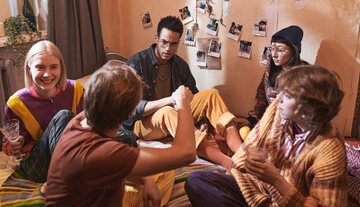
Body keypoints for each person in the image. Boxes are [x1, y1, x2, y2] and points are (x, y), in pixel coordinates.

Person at [185, 65, 348, 207]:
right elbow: (250, 147)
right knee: (197, 181)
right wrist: (235, 172)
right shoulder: (278, 110)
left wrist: (276, 180)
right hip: (254, 189)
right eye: (280, 92)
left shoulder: (330, 150)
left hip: (286, 202)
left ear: (309, 108)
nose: (278, 98)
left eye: (288, 96)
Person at [45, 63, 197, 206]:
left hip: (87, 187)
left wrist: (146, 179)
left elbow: (110, 166)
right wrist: (183, 104)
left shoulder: (80, 120)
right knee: (167, 169)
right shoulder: (103, 153)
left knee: (162, 172)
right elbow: (187, 153)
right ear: (131, 114)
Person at [125, 16, 242, 169]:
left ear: (179, 42)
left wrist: (201, 122)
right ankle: (227, 163)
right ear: (156, 38)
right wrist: (171, 99)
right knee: (167, 111)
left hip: (173, 112)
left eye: (173, 44)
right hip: (142, 123)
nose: (168, 48)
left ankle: (241, 154)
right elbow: (131, 109)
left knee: (211, 94)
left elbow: (193, 96)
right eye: (164, 42)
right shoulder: (137, 63)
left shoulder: (180, 64)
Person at [3, 40, 84, 183]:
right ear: (29, 69)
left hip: (74, 155)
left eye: (53, 67)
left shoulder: (76, 90)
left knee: (124, 138)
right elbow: (9, 146)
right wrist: (16, 146)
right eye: (40, 67)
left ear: (61, 68)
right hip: (38, 164)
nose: (47, 74)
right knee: (64, 116)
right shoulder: (16, 103)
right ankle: (67, 185)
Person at [238, 25, 308, 129]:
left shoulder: (304, 75)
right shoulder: (270, 68)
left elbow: (305, 111)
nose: (274, 55)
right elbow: (262, 93)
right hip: (269, 121)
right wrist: (252, 118)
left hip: (291, 127)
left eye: (280, 50)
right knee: (243, 131)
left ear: (294, 51)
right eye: (272, 49)